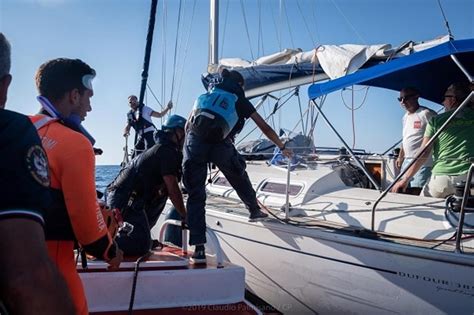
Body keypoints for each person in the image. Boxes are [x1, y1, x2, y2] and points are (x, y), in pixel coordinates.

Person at [31, 58, 123, 315]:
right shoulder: (75, 144)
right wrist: (111, 250)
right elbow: (87, 228)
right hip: (53, 275)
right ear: (73, 96)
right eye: (88, 97)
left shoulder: (18, 130)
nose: (90, 107)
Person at [183, 69, 292, 264]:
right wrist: (282, 146)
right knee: (238, 175)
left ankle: (198, 248)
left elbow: (188, 125)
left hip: (194, 141)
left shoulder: (207, 94)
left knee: (195, 196)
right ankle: (253, 209)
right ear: (241, 85)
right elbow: (264, 127)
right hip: (219, 143)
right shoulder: (238, 98)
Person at [0, 32, 75, 314]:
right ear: (5, 86)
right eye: (86, 95)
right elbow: (27, 279)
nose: (90, 105)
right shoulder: (12, 132)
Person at [106, 115, 187, 256]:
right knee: (140, 245)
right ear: (177, 133)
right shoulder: (165, 152)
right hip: (123, 197)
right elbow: (173, 188)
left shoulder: (168, 152)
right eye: (184, 133)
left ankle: (140, 239)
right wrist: (185, 215)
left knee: (161, 196)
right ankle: (101, 244)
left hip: (136, 198)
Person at [391, 82, 474, 198]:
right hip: (470, 177)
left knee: (422, 205)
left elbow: (424, 151)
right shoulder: (405, 117)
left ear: (453, 100)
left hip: (440, 177)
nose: (442, 102)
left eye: (444, 98)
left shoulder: (435, 119)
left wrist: (404, 179)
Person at [395, 87, 436, 195]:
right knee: (403, 190)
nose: (403, 102)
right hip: (407, 162)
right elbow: (405, 138)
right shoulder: (405, 117)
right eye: (400, 99)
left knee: (417, 192)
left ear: (416, 96)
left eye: (406, 98)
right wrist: (400, 156)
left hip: (423, 163)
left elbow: (437, 137)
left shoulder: (426, 113)